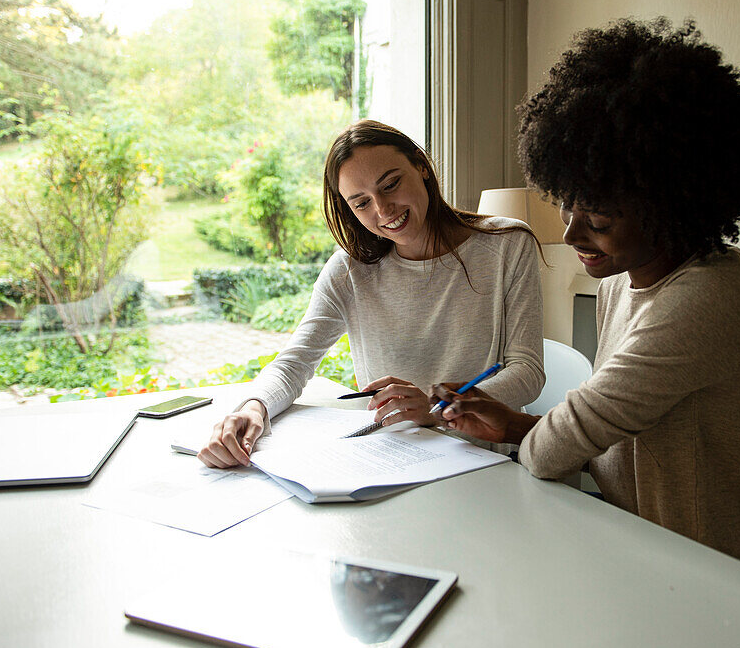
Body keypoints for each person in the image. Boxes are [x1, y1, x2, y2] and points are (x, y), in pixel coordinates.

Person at [430, 18, 740, 586]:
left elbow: (556, 449)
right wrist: (513, 423)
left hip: (725, 579)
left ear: (673, 205)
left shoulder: (718, 293)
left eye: (601, 220)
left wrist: (533, 436)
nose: (571, 233)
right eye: (568, 206)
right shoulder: (619, 281)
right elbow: (608, 437)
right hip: (643, 541)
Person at [198, 119, 544, 469]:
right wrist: (253, 408)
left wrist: (438, 408)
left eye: (391, 185)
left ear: (421, 166)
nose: (383, 210)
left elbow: (527, 372)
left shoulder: (507, 245)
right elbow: (294, 363)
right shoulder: (349, 271)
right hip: (389, 460)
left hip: (482, 462)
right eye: (361, 203)